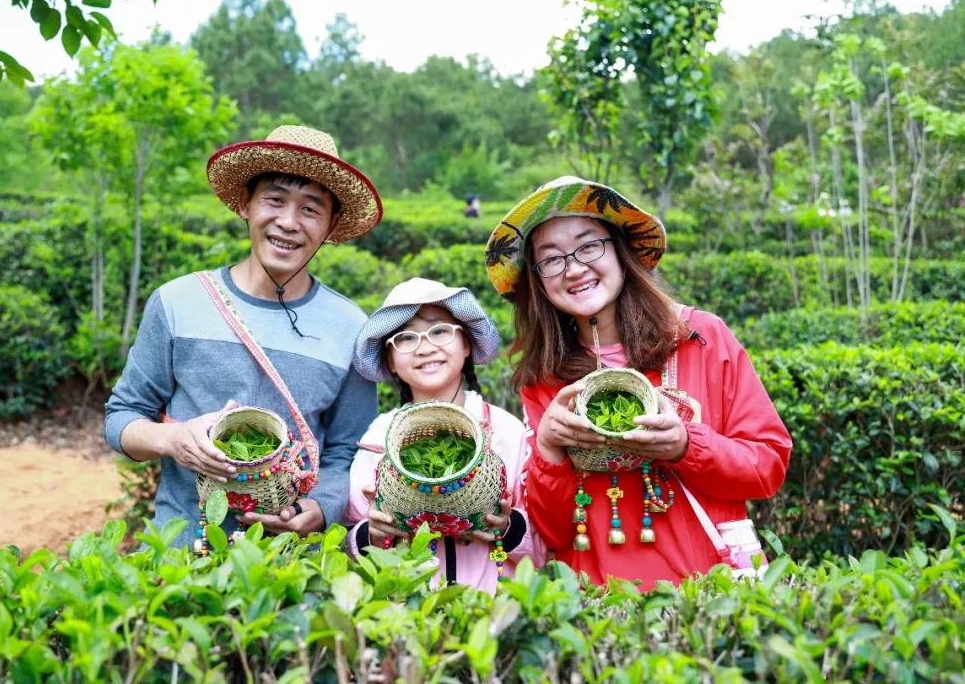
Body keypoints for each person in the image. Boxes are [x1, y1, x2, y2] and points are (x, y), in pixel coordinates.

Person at [483, 176, 792, 589]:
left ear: (620, 249)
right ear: (538, 280)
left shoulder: (700, 337)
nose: (574, 268)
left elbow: (767, 466)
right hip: (600, 602)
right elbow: (553, 531)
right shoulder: (544, 377)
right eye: (551, 259)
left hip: (706, 594)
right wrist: (550, 450)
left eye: (589, 245)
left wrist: (686, 446)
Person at [104, 125, 383, 547]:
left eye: (311, 209)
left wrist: (321, 508)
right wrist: (173, 439)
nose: (288, 222)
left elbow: (352, 448)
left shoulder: (349, 326)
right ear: (245, 205)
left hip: (292, 565)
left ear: (330, 225)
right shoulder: (179, 301)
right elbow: (121, 417)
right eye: (274, 199)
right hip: (183, 551)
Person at [345, 277, 542, 593]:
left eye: (439, 331)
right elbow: (352, 524)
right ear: (391, 361)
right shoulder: (380, 436)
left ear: (465, 345)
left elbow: (544, 531)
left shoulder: (506, 430)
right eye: (406, 338)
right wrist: (373, 531)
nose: (425, 347)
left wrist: (508, 526)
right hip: (408, 610)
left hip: (493, 605)